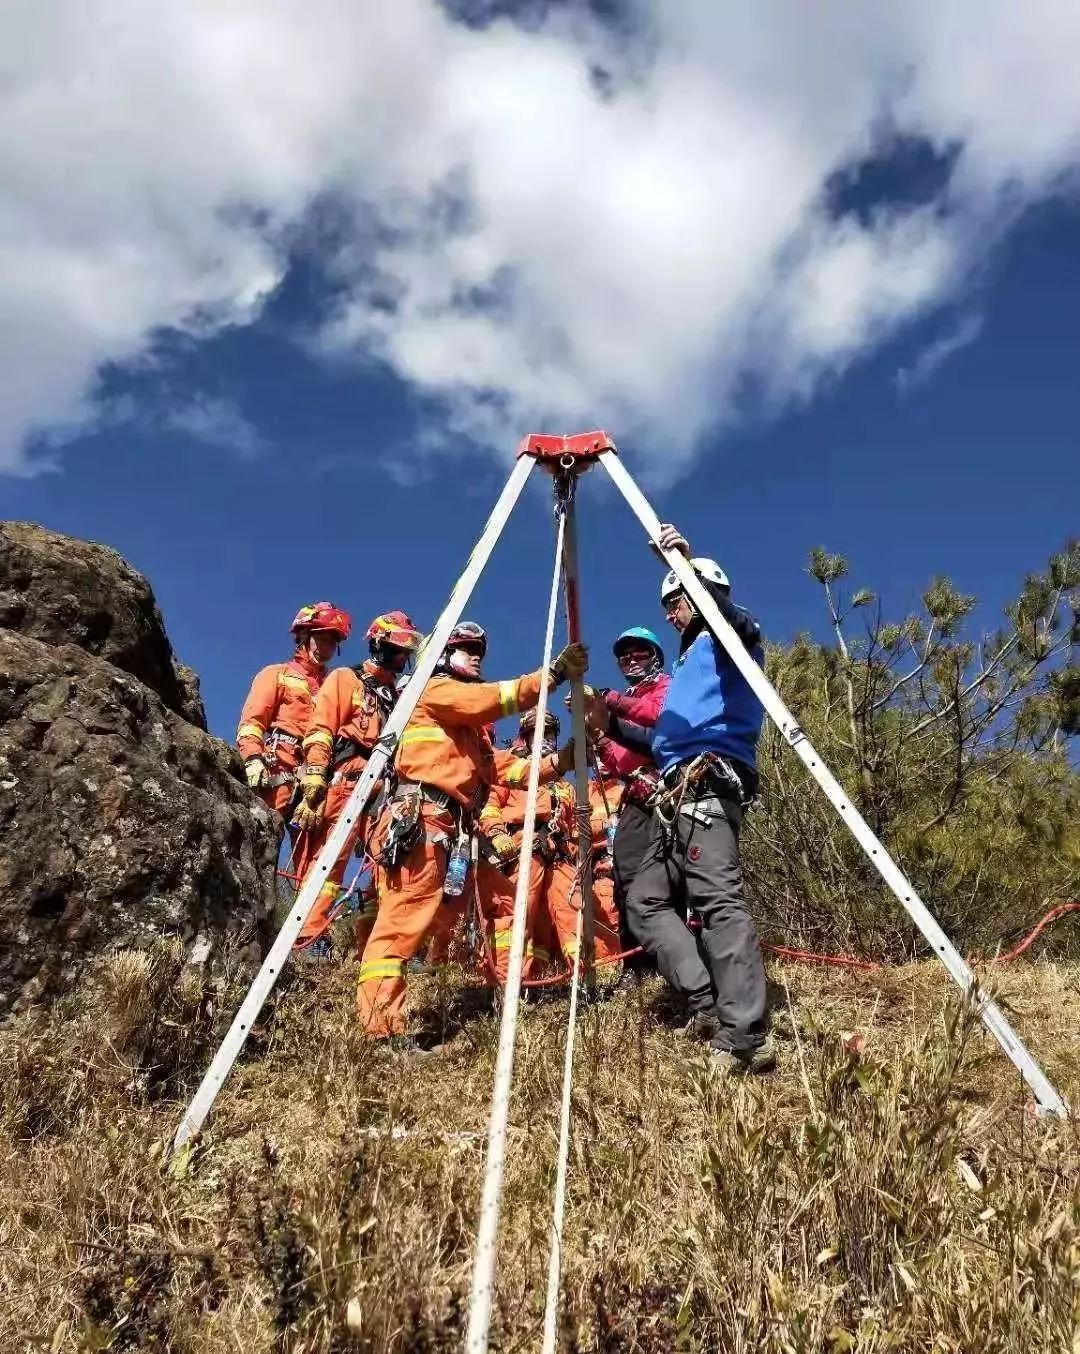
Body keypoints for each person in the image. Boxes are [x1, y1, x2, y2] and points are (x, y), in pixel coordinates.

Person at [356, 621, 587, 1049]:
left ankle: (474, 983)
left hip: (451, 829)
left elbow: (506, 769)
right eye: (464, 648)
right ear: (442, 656)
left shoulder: (466, 730)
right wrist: (550, 676)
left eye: (479, 648)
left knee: (472, 907)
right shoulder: (436, 690)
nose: (476, 653)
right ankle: (380, 1032)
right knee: (402, 919)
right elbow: (495, 698)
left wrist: (562, 762)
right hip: (422, 819)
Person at [618, 525, 775, 1074]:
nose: (669, 613)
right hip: (678, 791)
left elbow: (732, 619)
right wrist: (606, 725)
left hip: (709, 785)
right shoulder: (690, 666)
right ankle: (705, 998)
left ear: (702, 589)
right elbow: (660, 738)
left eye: (675, 600)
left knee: (718, 904)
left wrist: (685, 566)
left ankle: (745, 1037)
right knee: (645, 900)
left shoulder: (732, 642)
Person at [290, 611, 423, 954]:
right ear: (378, 645)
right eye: (396, 650)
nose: (401, 659)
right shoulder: (345, 680)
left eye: (405, 653)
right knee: (325, 866)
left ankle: (371, 950)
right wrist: (316, 776)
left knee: (389, 869)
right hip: (345, 784)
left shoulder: (400, 699)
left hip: (384, 794)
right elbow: (321, 728)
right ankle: (305, 945)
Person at [582, 628, 671, 985]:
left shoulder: (666, 686)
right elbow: (620, 760)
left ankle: (673, 961)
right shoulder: (631, 700)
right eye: (625, 656)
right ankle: (636, 966)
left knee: (671, 879)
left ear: (655, 657)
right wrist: (598, 733)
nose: (631, 660)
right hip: (636, 796)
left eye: (640, 653)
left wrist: (612, 703)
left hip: (668, 791)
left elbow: (659, 720)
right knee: (626, 879)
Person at [476, 709, 577, 983]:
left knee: (568, 912)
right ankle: (504, 981)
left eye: (551, 734)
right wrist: (497, 834)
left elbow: (575, 829)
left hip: (560, 854)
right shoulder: (512, 770)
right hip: (523, 845)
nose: (545, 739)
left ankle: (575, 981)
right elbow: (490, 806)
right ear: (526, 737)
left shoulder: (564, 786)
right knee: (519, 913)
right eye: (538, 733)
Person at [236, 602, 352, 838]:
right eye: (322, 639)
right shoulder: (276, 673)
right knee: (264, 836)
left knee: (312, 848)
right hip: (278, 767)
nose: (327, 648)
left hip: (316, 775)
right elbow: (253, 720)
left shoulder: (334, 685)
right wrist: (253, 758)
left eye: (332, 643)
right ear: (304, 636)